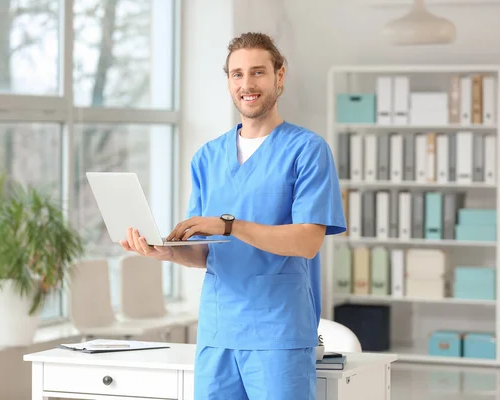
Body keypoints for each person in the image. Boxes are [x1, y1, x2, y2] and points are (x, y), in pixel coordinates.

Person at [121, 32, 346, 400]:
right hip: (217, 332)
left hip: (277, 332)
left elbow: (308, 242)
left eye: (257, 72)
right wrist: (165, 251)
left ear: (280, 77)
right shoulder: (208, 158)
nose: (247, 84)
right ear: (228, 81)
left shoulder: (307, 151)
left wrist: (231, 225)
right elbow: (206, 251)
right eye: (236, 74)